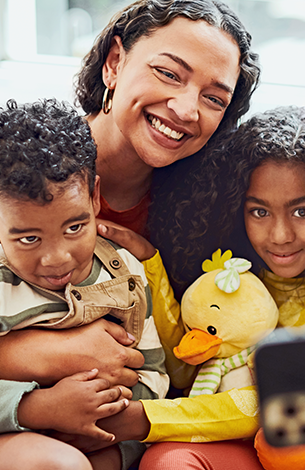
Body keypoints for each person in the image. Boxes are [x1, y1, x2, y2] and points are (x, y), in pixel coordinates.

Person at [0, 0, 260, 415]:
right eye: (169, 73)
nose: (186, 109)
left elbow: (181, 365)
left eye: (214, 98)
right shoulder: (12, 174)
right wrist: (48, 352)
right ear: (115, 63)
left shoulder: (210, 211)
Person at [80, 107, 305, 470]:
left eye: (302, 212)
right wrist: (150, 263)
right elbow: (186, 364)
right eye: (259, 212)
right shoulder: (233, 276)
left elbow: (273, 410)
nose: (280, 236)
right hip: (236, 446)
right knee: (169, 461)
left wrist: (144, 418)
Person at [0, 98, 170, 470]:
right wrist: (39, 408)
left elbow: (154, 372)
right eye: (28, 239)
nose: (58, 258)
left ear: (94, 196)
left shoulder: (124, 273)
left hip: (104, 436)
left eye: (74, 227)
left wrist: (108, 423)